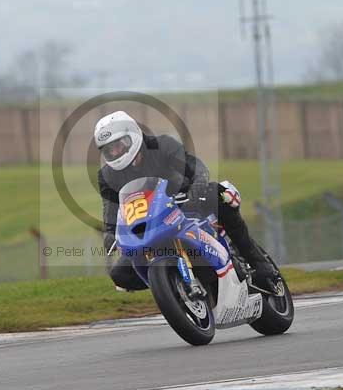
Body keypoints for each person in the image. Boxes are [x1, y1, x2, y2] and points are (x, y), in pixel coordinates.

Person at [95, 110, 280, 293]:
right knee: (121, 275)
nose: (115, 151)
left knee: (218, 195)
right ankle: (174, 287)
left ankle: (258, 262)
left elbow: (195, 167)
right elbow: (111, 207)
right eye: (109, 150)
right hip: (150, 224)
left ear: (132, 134)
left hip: (186, 204)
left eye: (119, 145)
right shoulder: (107, 175)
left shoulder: (162, 145)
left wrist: (197, 185)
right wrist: (110, 232)